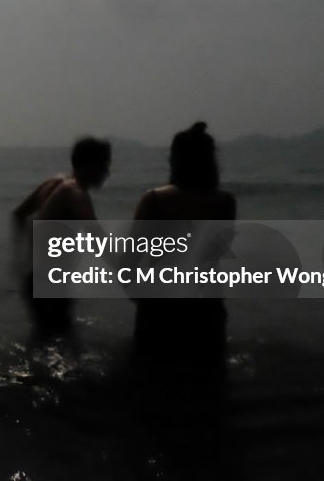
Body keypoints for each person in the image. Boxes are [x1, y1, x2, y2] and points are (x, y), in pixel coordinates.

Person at [131, 121, 235, 376]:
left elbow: (130, 261)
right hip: (207, 307)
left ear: (174, 160)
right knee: (208, 383)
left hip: (160, 307)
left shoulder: (154, 200)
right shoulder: (225, 202)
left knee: (153, 384)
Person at [12, 136, 111, 335]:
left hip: (34, 277)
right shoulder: (75, 193)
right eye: (104, 166)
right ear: (90, 164)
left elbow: (19, 214)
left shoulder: (53, 182)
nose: (107, 173)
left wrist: (23, 257)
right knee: (60, 341)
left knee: (45, 336)